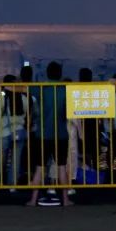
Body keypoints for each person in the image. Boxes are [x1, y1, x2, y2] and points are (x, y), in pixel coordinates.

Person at [27, 61, 73, 207]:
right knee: (61, 167)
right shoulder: (65, 89)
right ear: (60, 74)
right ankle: (65, 200)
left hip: (43, 134)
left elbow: (21, 89)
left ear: (47, 73)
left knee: (40, 168)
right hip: (61, 134)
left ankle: (33, 200)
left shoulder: (41, 88)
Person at [0, 74, 28, 187]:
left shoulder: (3, 96)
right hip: (19, 131)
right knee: (16, 160)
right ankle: (12, 185)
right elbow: (27, 112)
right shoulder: (23, 97)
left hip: (5, 132)